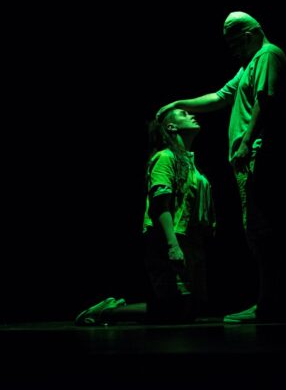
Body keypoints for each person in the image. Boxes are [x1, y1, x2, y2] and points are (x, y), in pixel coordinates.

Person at [156, 11, 286, 323]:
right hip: (249, 157)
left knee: (262, 230)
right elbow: (219, 97)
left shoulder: (267, 55)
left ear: (250, 35)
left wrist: (246, 142)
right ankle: (268, 301)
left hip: (259, 155)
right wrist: (179, 103)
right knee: (255, 229)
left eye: (235, 44)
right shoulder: (249, 65)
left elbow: (265, 101)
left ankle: (270, 303)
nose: (233, 51)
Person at [74, 108, 215, 325]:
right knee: (175, 307)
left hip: (191, 240)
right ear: (171, 127)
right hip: (170, 239)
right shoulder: (165, 157)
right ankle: (108, 312)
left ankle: (112, 311)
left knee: (192, 308)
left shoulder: (190, 162)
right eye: (184, 114)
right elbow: (160, 203)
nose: (192, 115)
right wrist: (172, 245)